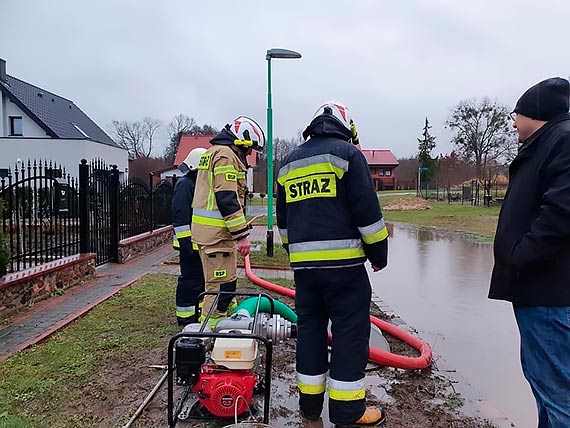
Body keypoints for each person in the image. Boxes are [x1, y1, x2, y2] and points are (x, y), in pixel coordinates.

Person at [276, 102, 388, 427]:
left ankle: (309, 406)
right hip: (345, 271)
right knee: (350, 335)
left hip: (305, 273)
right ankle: (348, 412)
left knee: (310, 332)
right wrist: (378, 256)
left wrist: (297, 254)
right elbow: (368, 214)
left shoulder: (288, 163)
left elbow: (284, 223)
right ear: (346, 129)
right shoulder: (348, 156)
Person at [489, 77, 570, 428]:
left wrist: (520, 255)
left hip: (548, 291)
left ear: (533, 113)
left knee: (559, 394)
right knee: (546, 387)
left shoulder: (562, 141)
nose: (512, 121)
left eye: (515, 114)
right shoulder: (548, 142)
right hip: (539, 290)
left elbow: (560, 213)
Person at [191, 116, 265, 327]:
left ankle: (226, 318)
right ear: (242, 141)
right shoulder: (226, 156)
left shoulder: (213, 152)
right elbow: (227, 198)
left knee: (225, 283)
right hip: (216, 237)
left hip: (215, 235)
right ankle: (211, 329)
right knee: (219, 287)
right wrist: (242, 236)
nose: (249, 154)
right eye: (250, 148)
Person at [171, 147, 207, 325]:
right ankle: (185, 318)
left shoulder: (196, 184)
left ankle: (197, 315)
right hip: (189, 246)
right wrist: (186, 245)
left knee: (200, 282)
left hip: (197, 244)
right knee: (190, 282)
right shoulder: (185, 185)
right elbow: (181, 216)